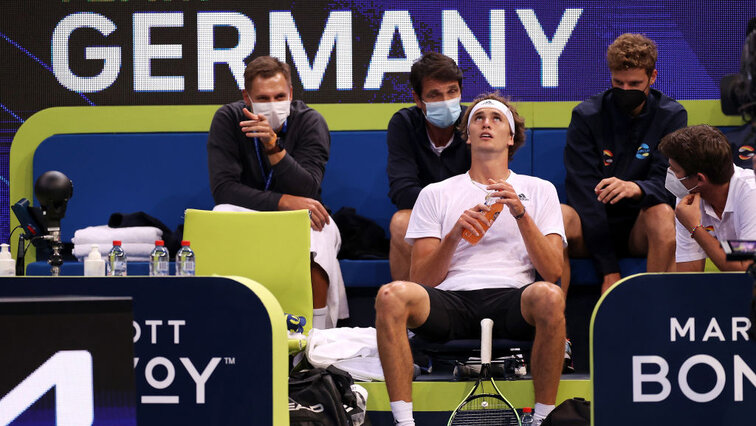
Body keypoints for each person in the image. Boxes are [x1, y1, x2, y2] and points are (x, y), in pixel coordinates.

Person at [376, 94, 566, 426]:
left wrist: (520, 214)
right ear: (467, 135)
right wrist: (453, 235)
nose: (486, 123)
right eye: (478, 118)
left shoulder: (539, 190)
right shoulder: (436, 193)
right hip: (450, 300)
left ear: (510, 137)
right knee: (391, 295)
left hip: (512, 298)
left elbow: (552, 272)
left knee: (550, 296)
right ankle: (404, 422)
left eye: (496, 118)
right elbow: (421, 279)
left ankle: (542, 419)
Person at [207, 56, 347, 329]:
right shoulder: (228, 119)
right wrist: (282, 201)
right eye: (264, 98)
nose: (273, 105)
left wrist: (273, 146)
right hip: (249, 213)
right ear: (247, 98)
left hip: (298, 216)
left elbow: (308, 188)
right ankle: (218, 324)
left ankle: (318, 336)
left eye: (279, 96)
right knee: (220, 213)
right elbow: (223, 191)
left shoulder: (310, 121)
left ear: (291, 94)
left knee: (319, 225)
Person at [562, 33, 687, 294]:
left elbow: (670, 185)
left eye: (634, 84)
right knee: (558, 218)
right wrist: (608, 268)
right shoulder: (586, 116)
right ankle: (556, 327)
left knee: (663, 214)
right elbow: (583, 192)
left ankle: (656, 315)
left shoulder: (671, 116)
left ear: (652, 78)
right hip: (591, 227)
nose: (626, 91)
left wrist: (637, 189)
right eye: (618, 83)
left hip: (637, 228)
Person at [387, 52, 470, 281]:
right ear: (418, 99)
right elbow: (402, 193)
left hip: (470, 218)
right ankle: (407, 308)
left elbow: (488, 186)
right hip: (427, 219)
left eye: (452, 92)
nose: (446, 101)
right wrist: (445, 212)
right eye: (435, 95)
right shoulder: (403, 124)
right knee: (401, 222)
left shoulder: (475, 123)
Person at [658, 124, 756, 271]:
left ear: (699, 179)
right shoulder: (688, 200)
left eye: (675, 170)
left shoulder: (751, 193)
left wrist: (695, 229)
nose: (670, 174)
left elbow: (744, 269)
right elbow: (689, 276)